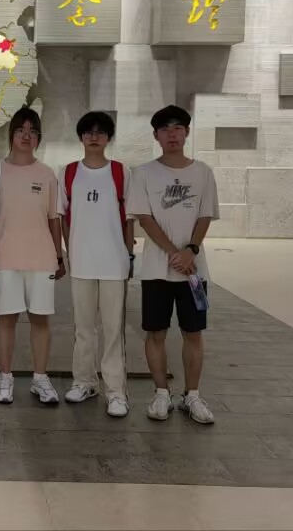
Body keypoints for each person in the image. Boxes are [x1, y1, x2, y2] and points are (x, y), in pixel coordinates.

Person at [126, 105, 219, 425]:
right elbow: (144, 218)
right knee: (156, 331)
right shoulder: (143, 173)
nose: (172, 134)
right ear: (156, 136)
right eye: (165, 129)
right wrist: (173, 253)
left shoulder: (203, 172)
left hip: (194, 271)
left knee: (193, 332)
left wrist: (191, 250)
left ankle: (192, 395)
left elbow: (205, 215)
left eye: (178, 127)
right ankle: (161, 393)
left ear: (187, 132)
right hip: (156, 269)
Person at [0, 107, 64, 405]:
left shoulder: (47, 174)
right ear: (11, 135)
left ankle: (40, 378)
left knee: (40, 321)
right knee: (6, 320)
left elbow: (54, 218)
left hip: (41, 259)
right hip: (4, 256)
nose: (26, 136)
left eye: (32, 131)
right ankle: (5, 377)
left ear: (39, 138)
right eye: (21, 130)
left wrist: (59, 256)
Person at [58, 111, 135, 418]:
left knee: (114, 330)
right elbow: (63, 217)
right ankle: (85, 382)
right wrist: (70, 251)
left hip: (114, 262)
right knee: (84, 328)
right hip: (82, 263)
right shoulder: (68, 172)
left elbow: (129, 219)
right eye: (88, 132)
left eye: (100, 132)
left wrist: (128, 255)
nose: (94, 137)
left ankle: (116, 391)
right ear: (81, 136)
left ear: (108, 138)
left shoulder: (120, 171)